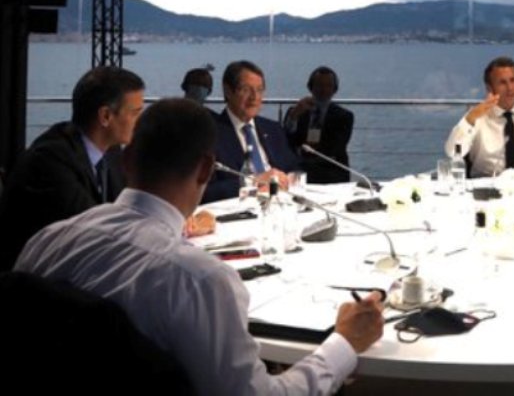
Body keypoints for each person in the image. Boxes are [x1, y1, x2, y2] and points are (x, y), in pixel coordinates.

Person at [15, 98, 384, 395]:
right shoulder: (199, 281)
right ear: (206, 169)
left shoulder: (48, 241)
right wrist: (344, 343)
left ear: (126, 161)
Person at [0, 66, 145, 269]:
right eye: (136, 113)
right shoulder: (48, 162)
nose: (140, 122)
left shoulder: (110, 150)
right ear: (105, 116)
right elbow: (95, 230)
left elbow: (125, 207)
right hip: (37, 278)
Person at [203, 60, 298, 202]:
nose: (254, 97)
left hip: (280, 203)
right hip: (237, 209)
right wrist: (252, 182)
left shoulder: (273, 129)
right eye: (246, 89)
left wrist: (288, 178)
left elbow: (294, 168)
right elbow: (205, 191)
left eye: (259, 90)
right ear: (228, 91)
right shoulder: (209, 135)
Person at [284, 66, 355, 183]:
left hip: (331, 170)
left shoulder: (344, 116)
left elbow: (336, 148)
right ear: (311, 87)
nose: (323, 90)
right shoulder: (296, 111)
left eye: (328, 86)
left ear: (334, 89)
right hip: (300, 169)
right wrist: (293, 116)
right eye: (319, 85)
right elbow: (285, 139)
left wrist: (305, 158)